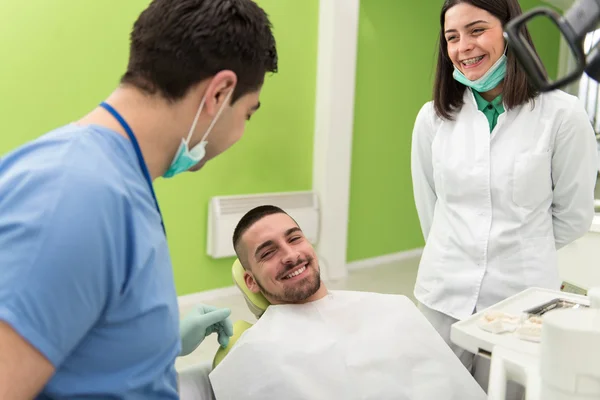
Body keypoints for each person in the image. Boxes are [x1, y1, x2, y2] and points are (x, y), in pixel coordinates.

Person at [0, 0, 278, 398]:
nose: (239, 134)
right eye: (247, 114)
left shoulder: (118, 179)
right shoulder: (73, 196)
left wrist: (155, 345)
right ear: (219, 93)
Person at [410, 0, 597, 393]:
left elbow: (573, 217)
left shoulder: (563, 115)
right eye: (452, 37)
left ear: (512, 30)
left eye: (477, 30)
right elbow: (430, 205)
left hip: (520, 302)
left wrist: (520, 247)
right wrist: (456, 251)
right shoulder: (432, 118)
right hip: (441, 294)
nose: (464, 47)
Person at [208, 205, 488, 400]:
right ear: (251, 282)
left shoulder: (392, 309)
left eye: (295, 238)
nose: (291, 255)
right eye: (268, 253)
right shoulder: (254, 353)